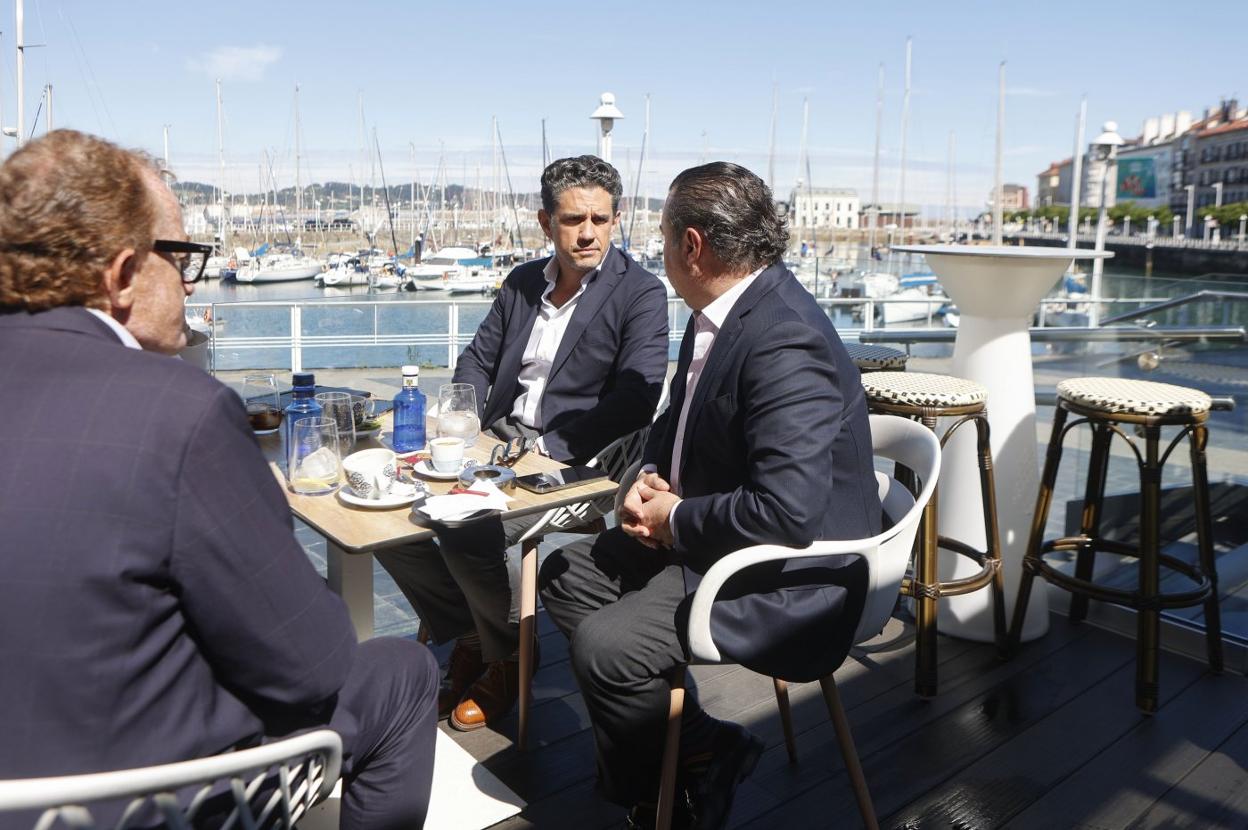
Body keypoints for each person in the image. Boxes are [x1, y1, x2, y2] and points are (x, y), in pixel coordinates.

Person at [0, 130, 438, 830]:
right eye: (179, 258)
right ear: (120, 274)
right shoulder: (176, 412)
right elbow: (315, 664)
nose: (189, 281)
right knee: (402, 675)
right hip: (146, 800)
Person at [539, 162, 882, 829]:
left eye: (663, 237)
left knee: (608, 649)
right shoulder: (716, 314)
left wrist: (676, 520)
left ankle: (658, 793)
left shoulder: (782, 337)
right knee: (563, 572)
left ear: (691, 246)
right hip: (722, 536)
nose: (656, 252)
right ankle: (704, 747)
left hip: (790, 575)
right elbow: (676, 426)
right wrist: (645, 482)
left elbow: (788, 511)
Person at [377, 155, 669, 732]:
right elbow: (478, 361)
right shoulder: (520, 283)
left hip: (583, 462)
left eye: (600, 218)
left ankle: (507, 657)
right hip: (497, 447)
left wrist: (554, 445)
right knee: (388, 519)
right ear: (544, 221)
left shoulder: (641, 294)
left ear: (617, 218)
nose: (588, 232)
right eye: (572, 219)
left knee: (466, 531)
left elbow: (636, 400)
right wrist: (459, 418)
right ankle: (473, 632)